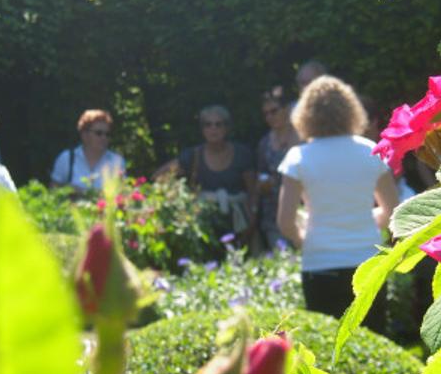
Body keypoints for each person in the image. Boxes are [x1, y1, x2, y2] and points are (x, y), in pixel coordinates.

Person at [277, 76, 398, 333]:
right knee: (373, 344)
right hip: (366, 263)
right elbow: (393, 212)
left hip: (319, 264)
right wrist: (363, 219)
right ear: (351, 111)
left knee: (329, 349)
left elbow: (285, 222)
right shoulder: (371, 151)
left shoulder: (298, 157)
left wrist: (306, 240)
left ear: (305, 114)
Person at [156, 105, 257, 243]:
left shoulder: (242, 154)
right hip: (204, 226)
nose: (213, 129)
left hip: (240, 223)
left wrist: (252, 218)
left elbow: (253, 191)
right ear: (202, 129)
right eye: (208, 125)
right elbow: (159, 177)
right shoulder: (192, 156)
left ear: (226, 128)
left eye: (218, 124)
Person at [256, 87, 300, 250]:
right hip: (274, 216)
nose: (270, 117)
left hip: (303, 213)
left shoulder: (304, 138)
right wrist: (263, 184)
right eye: (266, 114)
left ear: (287, 109)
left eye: (274, 111)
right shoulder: (264, 143)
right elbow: (260, 175)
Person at [50, 110, 125, 192]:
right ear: (84, 134)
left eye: (107, 134)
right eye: (98, 133)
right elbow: (53, 192)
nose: (104, 138)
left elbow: (122, 195)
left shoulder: (116, 162)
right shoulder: (67, 159)